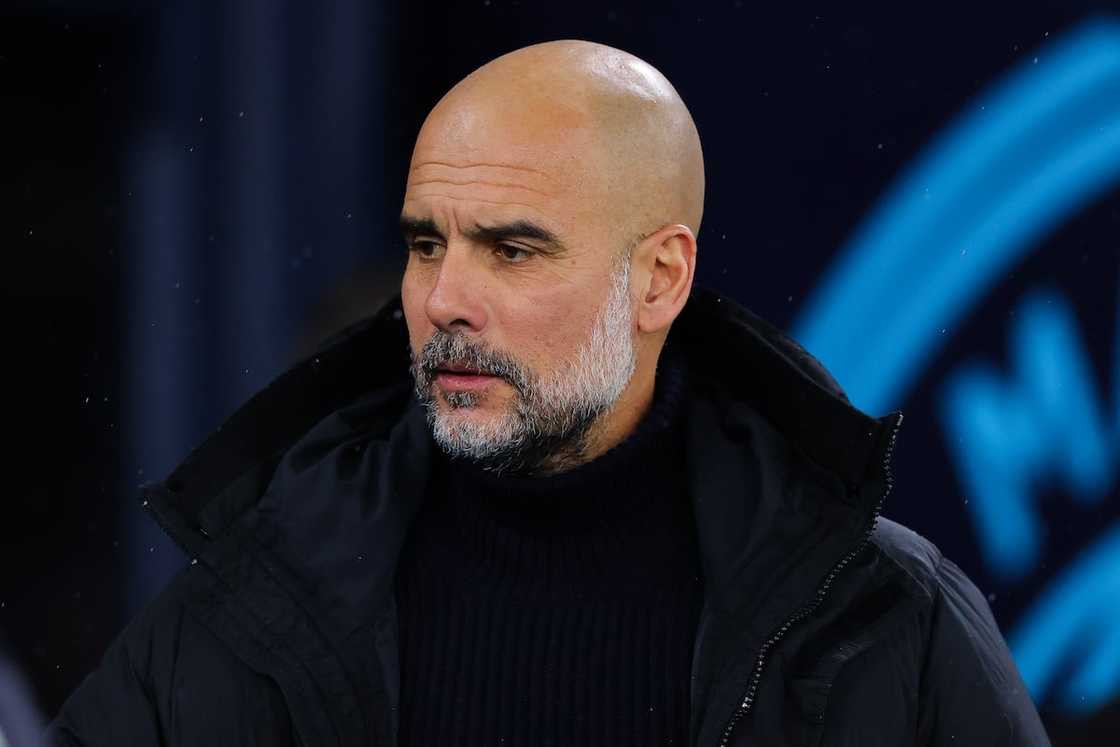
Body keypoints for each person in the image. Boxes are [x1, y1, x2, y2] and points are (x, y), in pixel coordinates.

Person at [47, 40, 1049, 746]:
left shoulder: (887, 621)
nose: (443, 301)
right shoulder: (246, 610)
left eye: (512, 249)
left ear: (658, 278)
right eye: (425, 243)